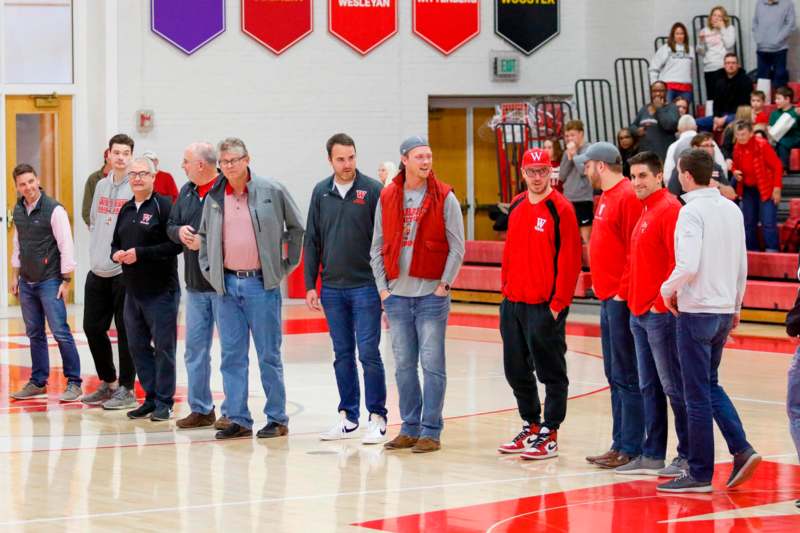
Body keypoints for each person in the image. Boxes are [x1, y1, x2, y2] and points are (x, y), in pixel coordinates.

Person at [658, 148, 761, 493]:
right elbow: (741, 262)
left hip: (697, 310)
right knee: (709, 385)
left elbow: (687, 265)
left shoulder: (690, 212)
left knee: (696, 395)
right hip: (722, 310)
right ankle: (742, 449)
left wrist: (665, 289)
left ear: (686, 175)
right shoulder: (731, 209)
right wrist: (736, 305)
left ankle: (700, 473)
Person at [198, 137, 304, 440]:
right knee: (231, 356)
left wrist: (282, 268)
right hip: (227, 288)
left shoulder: (272, 190)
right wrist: (211, 272)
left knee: (268, 355)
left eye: (234, 160)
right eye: (224, 162)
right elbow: (204, 238)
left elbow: (297, 229)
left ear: (247, 159)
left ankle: (277, 418)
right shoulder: (214, 196)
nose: (229, 166)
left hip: (261, 285)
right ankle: (239, 418)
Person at [370, 136, 465, 454]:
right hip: (397, 297)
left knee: (432, 364)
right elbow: (376, 247)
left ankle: (431, 430)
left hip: (431, 297)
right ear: (405, 160)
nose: (426, 162)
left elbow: (457, 247)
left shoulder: (444, 196)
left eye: (429, 156)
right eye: (420, 157)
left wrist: (444, 286)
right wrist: (383, 289)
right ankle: (409, 427)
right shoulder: (389, 196)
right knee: (403, 366)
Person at [496, 148, 581, 460]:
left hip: (545, 305)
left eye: (542, 171)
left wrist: (558, 303)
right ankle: (531, 425)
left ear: (551, 173)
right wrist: (505, 293)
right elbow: (510, 253)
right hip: (513, 303)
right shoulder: (517, 204)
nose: (536, 177)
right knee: (515, 369)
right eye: (531, 172)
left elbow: (570, 260)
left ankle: (551, 430)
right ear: (523, 173)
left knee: (551, 370)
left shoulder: (561, 209)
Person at [304, 133, 387, 444]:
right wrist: (310, 284)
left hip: (366, 286)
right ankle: (348, 417)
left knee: (368, 353)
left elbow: (384, 240)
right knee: (342, 354)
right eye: (341, 159)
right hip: (333, 288)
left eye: (351, 157)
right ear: (330, 160)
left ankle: (377, 416)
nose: (347, 164)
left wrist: (385, 285)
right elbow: (311, 239)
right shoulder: (320, 192)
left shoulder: (373, 190)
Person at [616, 151, 688, 478]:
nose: (637, 183)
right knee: (649, 386)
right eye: (633, 177)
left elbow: (679, 262)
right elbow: (636, 262)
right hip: (640, 311)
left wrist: (663, 303)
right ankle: (653, 453)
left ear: (659, 176)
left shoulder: (670, 209)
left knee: (673, 386)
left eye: (643, 176)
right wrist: (631, 300)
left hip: (659, 314)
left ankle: (686, 455)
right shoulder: (646, 210)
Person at [579, 143, 644, 469]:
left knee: (626, 374)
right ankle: (619, 442)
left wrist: (622, 291)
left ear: (600, 165)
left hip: (619, 300)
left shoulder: (627, 195)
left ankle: (631, 445)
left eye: (587, 165)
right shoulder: (606, 196)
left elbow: (636, 247)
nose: (584, 171)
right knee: (614, 374)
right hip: (607, 297)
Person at [111, 157, 182, 421]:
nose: (137, 178)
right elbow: (114, 244)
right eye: (133, 174)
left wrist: (139, 254)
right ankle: (150, 398)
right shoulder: (127, 209)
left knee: (164, 348)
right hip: (132, 291)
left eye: (143, 173)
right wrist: (117, 254)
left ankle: (165, 401)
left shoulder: (164, 205)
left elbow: (175, 246)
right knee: (138, 347)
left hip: (161, 291)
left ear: (154, 177)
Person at [8, 164, 82, 402]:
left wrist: (66, 280)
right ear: (16, 187)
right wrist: (14, 276)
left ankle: (74, 382)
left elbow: (66, 246)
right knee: (34, 333)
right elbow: (18, 246)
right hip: (27, 281)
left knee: (60, 331)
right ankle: (38, 381)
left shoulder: (54, 209)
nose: (28, 187)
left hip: (50, 280)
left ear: (37, 180)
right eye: (22, 184)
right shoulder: (18, 210)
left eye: (31, 181)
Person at [167, 142, 225, 429]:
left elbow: (238, 232)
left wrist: (207, 242)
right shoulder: (187, 191)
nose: (183, 165)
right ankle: (201, 409)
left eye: (186, 161)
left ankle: (234, 411)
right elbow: (171, 224)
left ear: (201, 164)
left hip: (223, 285)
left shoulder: (226, 189)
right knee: (194, 350)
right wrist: (179, 232)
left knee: (231, 350)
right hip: (195, 286)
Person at [80, 134, 137, 410]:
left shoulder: (134, 189)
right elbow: (93, 220)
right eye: (117, 152)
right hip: (97, 270)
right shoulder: (100, 185)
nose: (121, 158)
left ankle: (127, 387)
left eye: (126, 153)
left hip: (122, 273)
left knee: (126, 331)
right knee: (92, 327)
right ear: (108, 155)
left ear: (131, 157)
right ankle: (109, 382)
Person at [731, 120, 783, 251]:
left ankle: (773, 252)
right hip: (748, 189)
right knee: (748, 223)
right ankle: (752, 253)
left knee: (768, 223)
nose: (740, 137)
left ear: (750, 133)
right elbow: (736, 166)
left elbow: (777, 166)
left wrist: (777, 188)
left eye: (743, 134)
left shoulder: (762, 145)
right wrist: (734, 172)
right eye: (738, 134)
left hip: (766, 188)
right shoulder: (737, 147)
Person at [668, 133, 736, 201]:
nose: (710, 149)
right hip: (689, 208)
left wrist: (717, 185)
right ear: (695, 147)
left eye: (711, 145)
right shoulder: (683, 165)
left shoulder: (716, 167)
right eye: (706, 145)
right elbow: (672, 196)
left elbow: (732, 195)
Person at [558, 120, 593, 248]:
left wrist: (575, 155)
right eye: (567, 136)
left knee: (585, 238)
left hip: (583, 199)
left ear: (581, 134)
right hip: (568, 199)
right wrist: (569, 156)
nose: (569, 139)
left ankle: (591, 268)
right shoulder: (567, 152)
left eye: (572, 135)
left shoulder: (588, 149)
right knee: (569, 238)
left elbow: (584, 170)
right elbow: (562, 175)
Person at [664, 115, 728, 181]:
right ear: (696, 127)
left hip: (685, 187)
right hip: (711, 185)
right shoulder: (709, 142)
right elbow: (723, 168)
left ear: (678, 129)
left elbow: (667, 176)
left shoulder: (673, 147)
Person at [697, 54, 751, 132]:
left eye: (733, 63)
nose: (730, 65)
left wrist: (724, 119)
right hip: (721, 116)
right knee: (696, 123)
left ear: (738, 65)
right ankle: (707, 142)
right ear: (724, 65)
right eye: (728, 63)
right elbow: (716, 103)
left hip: (738, 115)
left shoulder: (746, 81)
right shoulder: (719, 80)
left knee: (731, 120)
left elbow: (744, 105)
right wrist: (716, 118)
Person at [753, 0, 797, 92]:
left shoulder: (788, 4)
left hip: (779, 49)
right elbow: (755, 22)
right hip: (762, 48)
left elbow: (791, 25)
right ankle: (763, 104)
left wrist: (777, 39)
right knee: (762, 80)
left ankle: (780, 104)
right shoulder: (759, 3)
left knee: (780, 79)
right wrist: (758, 38)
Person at [630, 81, 680, 162]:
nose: (657, 94)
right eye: (654, 91)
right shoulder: (644, 109)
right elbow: (632, 126)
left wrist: (659, 109)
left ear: (666, 92)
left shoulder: (672, 108)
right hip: (645, 156)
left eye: (661, 91)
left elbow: (669, 126)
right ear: (651, 93)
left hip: (664, 157)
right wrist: (636, 131)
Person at [697, 6, 736, 103]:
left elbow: (729, 44)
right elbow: (700, 52)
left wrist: (722, 28)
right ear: (710, 17)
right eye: (714, 15)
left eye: (719, 16)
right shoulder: (705, 30)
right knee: (711, 98)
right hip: (709, 67)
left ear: (724, 18)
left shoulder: (729, 28)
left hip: (723, 67)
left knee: (725, 96)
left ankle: (725, 117)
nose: (716, 18)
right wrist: (701, 41)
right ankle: (712, 117)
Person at [650, 23, 695, 103]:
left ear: (685, 35)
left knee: (682, 114)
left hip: (686, 88)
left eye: (682, 33)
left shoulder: (690, 50)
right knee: (667, 113)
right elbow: (653, 68)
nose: (680, 36)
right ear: (673, 35)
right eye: (677, 33)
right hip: (668, 87)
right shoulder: (666, 48)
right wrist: (655, 86)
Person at [769, 86, 800, 172]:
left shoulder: (796, 111)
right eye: (775, 99)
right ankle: (781, 167)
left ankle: (783, 168)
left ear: (787, 99)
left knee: (782, 142)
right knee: (781, 143)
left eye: (779, 99)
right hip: (781, 139)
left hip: (796, 138)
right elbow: (772, 130)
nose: (776, 101)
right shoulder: (774, 114)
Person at [81, 149, 110, 226]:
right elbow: (87, 206)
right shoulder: (93, 179)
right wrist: (92, 225)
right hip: (98, 227)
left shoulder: (124, 178)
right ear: (107, 159)